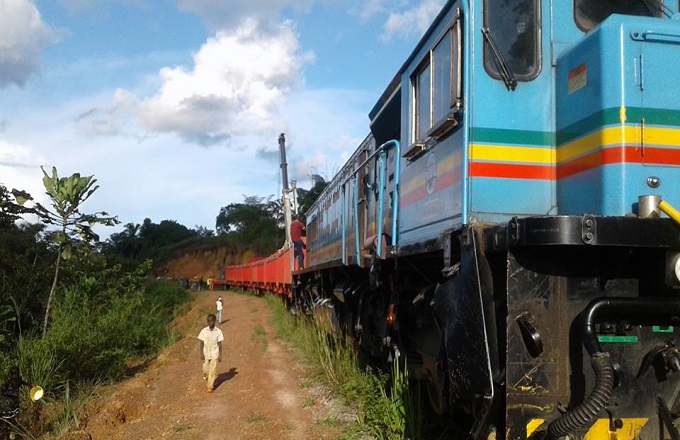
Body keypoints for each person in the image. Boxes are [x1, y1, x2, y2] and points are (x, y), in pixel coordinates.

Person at [197, 314, 223, 393]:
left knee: (212, 371)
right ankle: (208, 381)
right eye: (208, 321)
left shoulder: (218, 332)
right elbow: (201, 342)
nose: (210, 322)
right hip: (206, 353)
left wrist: (220, 354)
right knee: (205, 371)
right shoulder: (204, 331)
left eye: (211, 320)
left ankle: (210, 386)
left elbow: (220, 343)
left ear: (214, 321)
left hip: (214, 353)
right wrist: (201, 353)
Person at [1, 367, 28, 438]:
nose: (16, 376)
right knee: (7, 421)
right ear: (11, 375)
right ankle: (6, 435)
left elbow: (23, 382)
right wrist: (11, 394)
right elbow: (2, 392)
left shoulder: (19, 380)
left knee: (14, 419)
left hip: (15, 404)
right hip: (7, 405)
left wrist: (30, 385)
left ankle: (13, 434)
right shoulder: (8, 382)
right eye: (15, 374)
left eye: (17, 373)